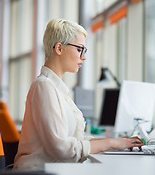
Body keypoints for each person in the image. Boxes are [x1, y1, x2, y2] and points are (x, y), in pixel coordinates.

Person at [13, 18, 143, 171]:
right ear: (59, 48)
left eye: (84, 50)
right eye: (79, 49)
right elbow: (61, 148)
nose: (84, 56)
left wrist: (116, 142)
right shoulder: (44, 86)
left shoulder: (55, 87)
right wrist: (111, 143)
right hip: (38, 172)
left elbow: (74, 141)